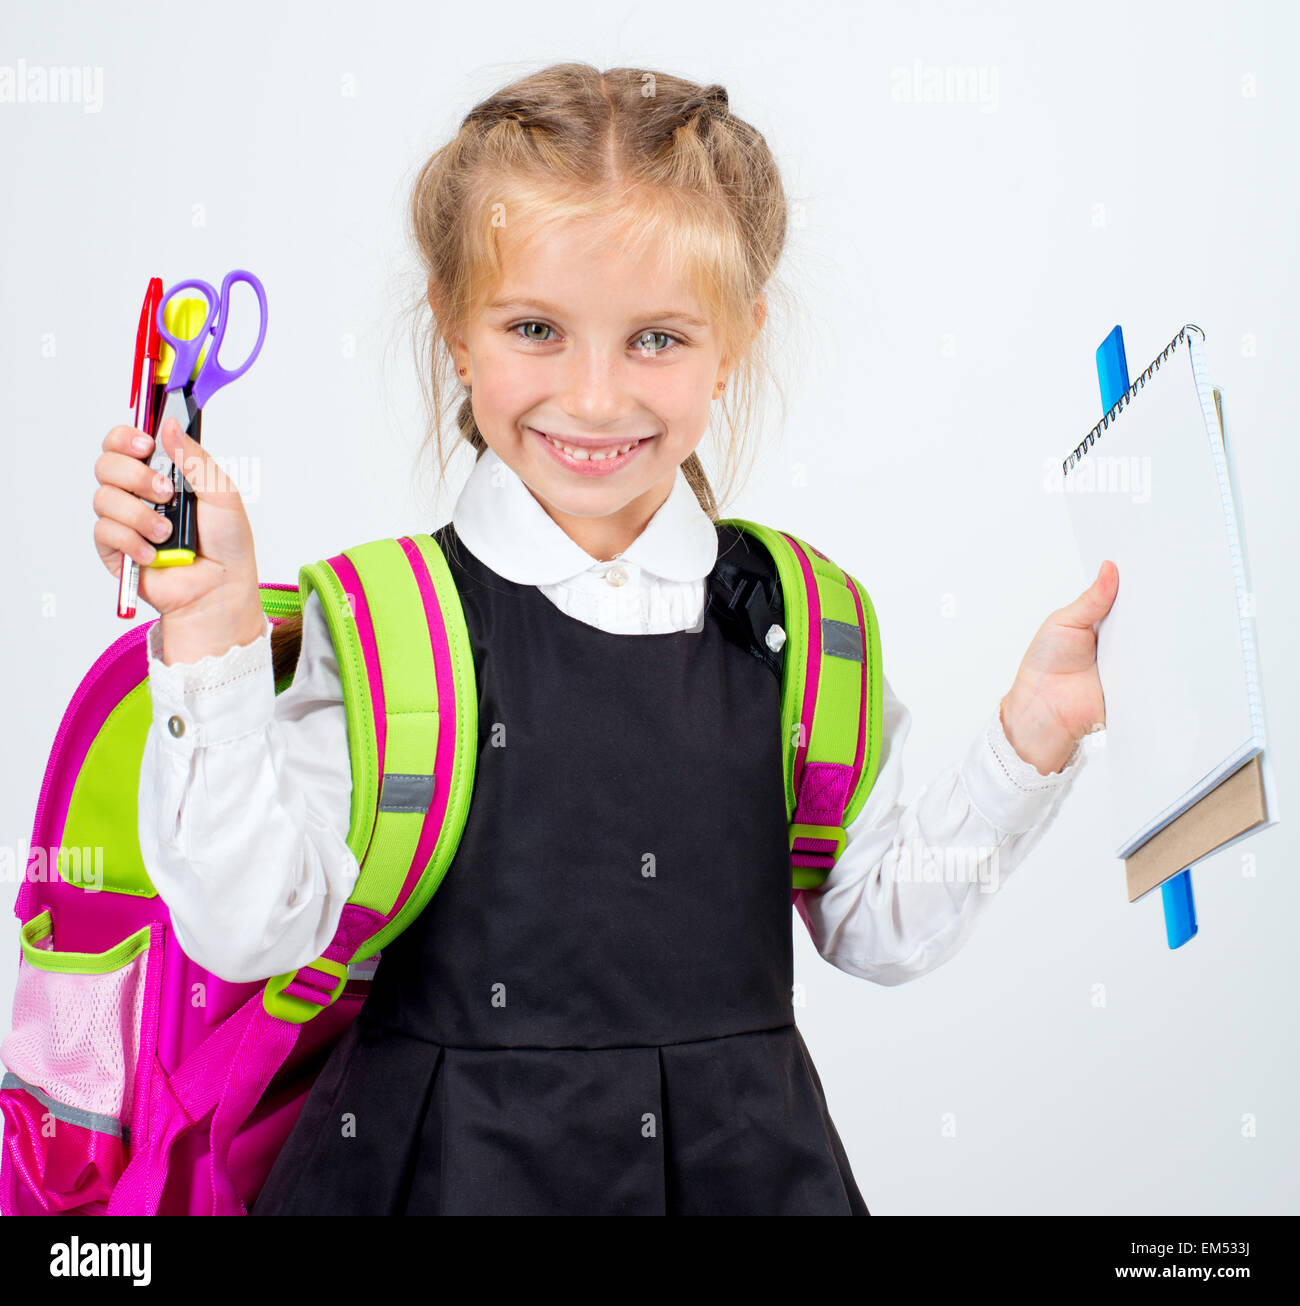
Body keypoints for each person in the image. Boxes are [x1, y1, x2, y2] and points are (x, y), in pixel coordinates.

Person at [91, 63, 1115, 1216]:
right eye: (535, 327)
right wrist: (212, 630)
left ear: (733, 343)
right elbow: (244, 928)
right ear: (454, 331)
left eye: (657, 339)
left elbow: (876, 926)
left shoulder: (805, 623)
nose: (591, 395)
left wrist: (1026, 743)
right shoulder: (392, 628)